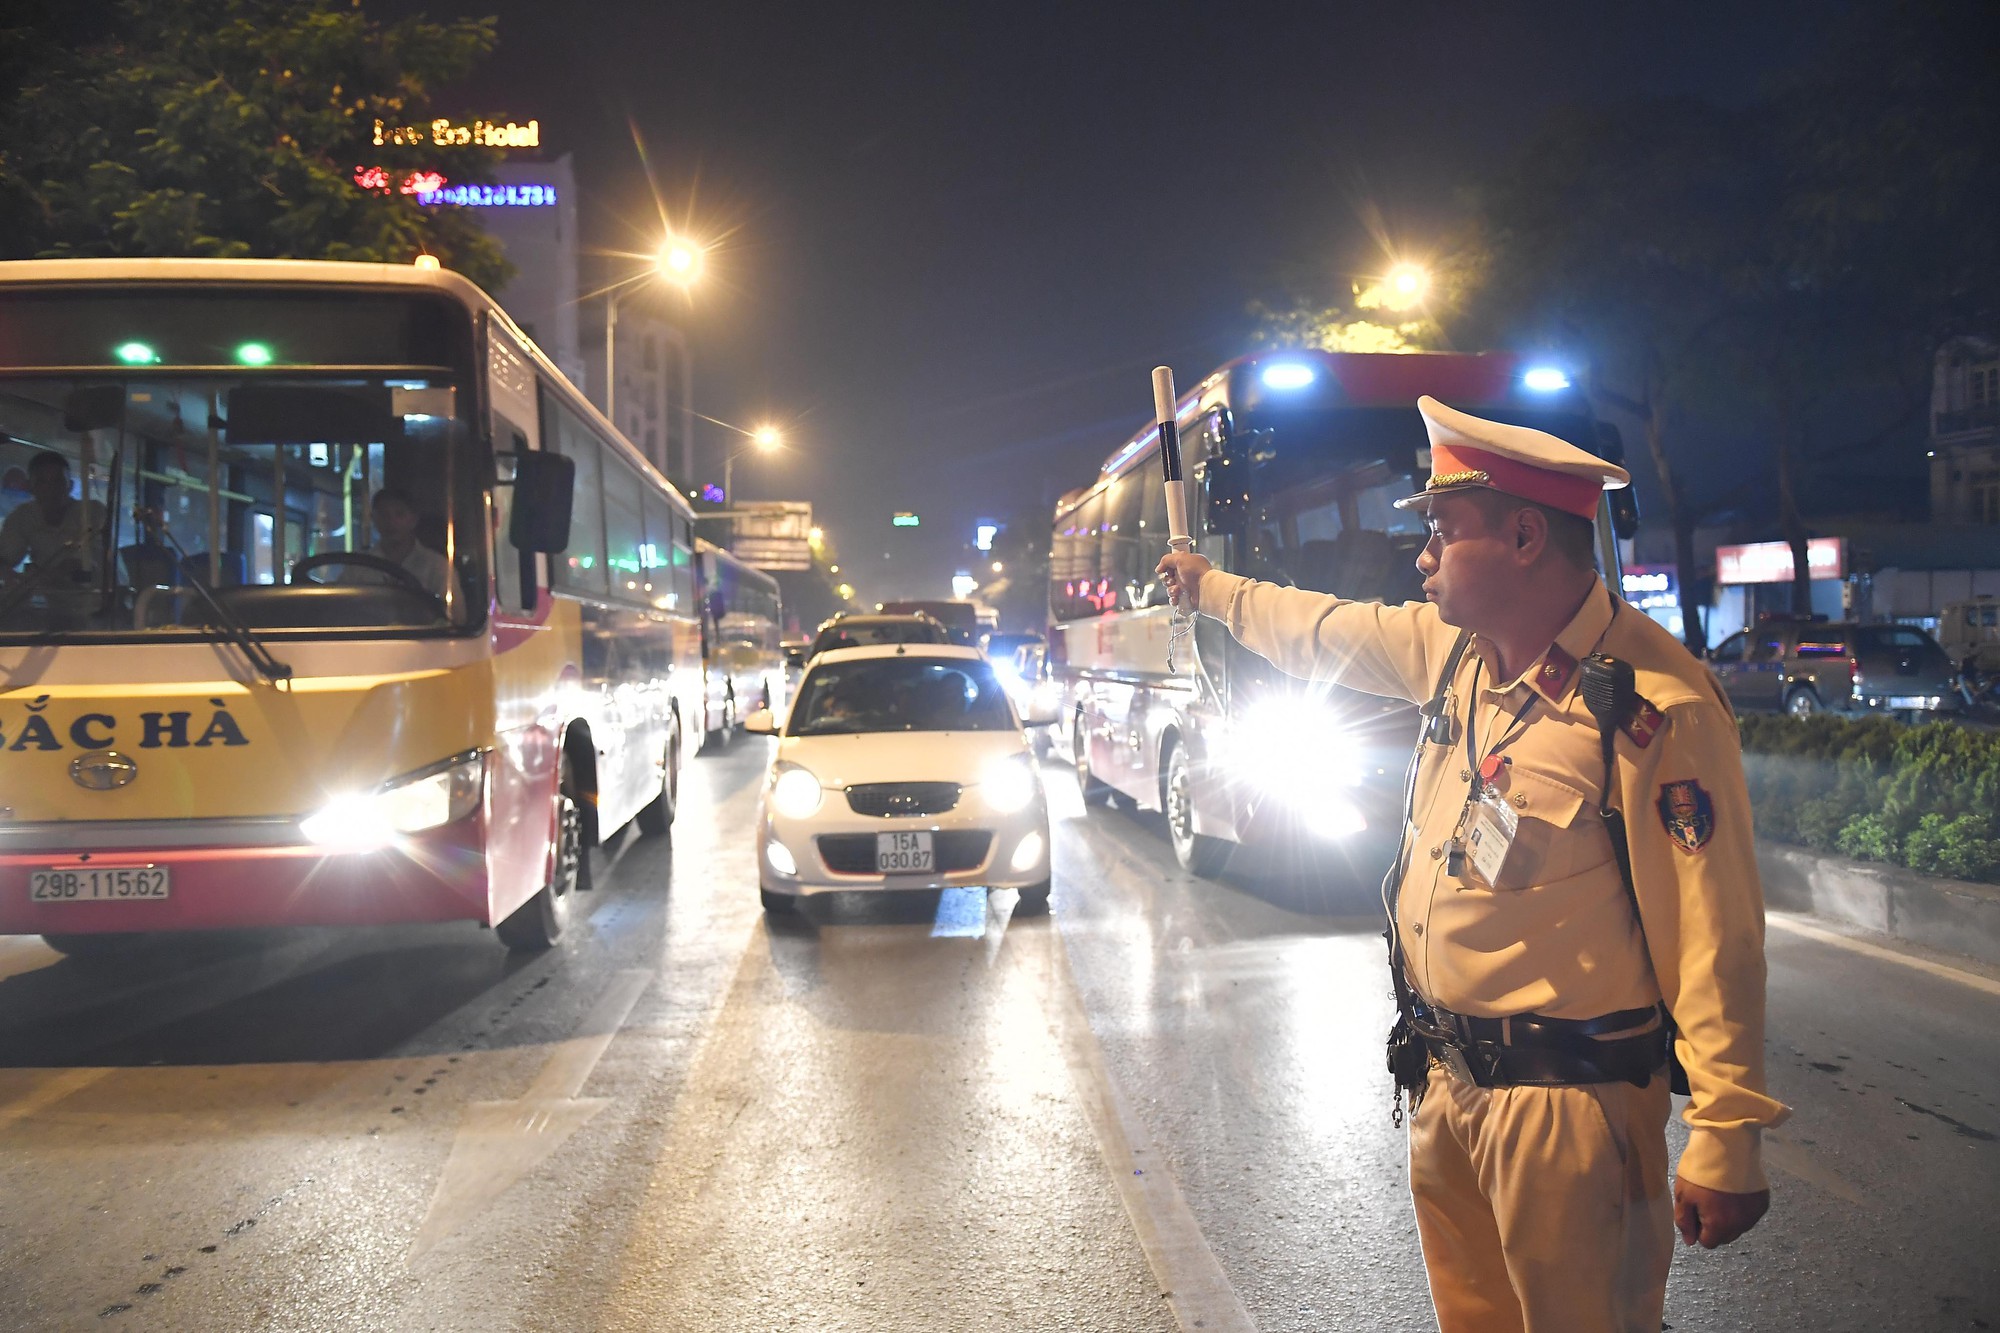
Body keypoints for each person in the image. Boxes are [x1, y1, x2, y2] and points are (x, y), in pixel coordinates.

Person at [1156, 396, 1788, 1333]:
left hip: (1567, 1109)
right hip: (1447, 1081)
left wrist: (1726, 1134)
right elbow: (1318, 628)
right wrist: (1209, 587)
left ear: (1526, 536)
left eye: (1443, 531)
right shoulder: (1457, 655)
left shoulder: (1652, 704)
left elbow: (1713, 932)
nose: (1422, 554)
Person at [0, 450, 108, 619]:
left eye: (57, 481)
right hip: (49, 609)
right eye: (42, 482)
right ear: (30, 487)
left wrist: (62, 570)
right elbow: (5, 558)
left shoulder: (92, 513)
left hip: (97, 607)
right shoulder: (22, 518)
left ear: (70, 486)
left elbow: (95, 565)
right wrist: (10, 576)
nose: (50, 489)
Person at [337, 487, 449, 598]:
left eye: (399, 514)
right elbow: (339, 605)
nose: (391, 522)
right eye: (383, 515)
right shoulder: (358, 567)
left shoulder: (437, 567)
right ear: (373, 520)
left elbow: (454, 613)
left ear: (413, 520)